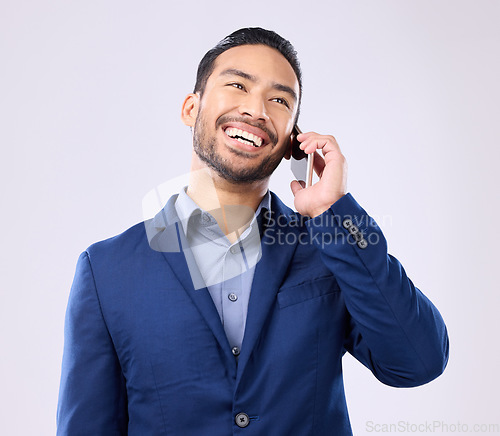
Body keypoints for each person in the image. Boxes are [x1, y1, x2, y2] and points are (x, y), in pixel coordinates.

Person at [57, 27, 449, 435]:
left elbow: (418, 362)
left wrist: (332, 212)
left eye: (279, 100)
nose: (256, 109)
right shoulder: (105, 271)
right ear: (191, 109)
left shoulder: (329, 249)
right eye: (237, 85)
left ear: (293, 141)